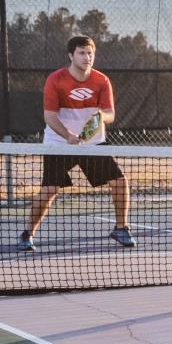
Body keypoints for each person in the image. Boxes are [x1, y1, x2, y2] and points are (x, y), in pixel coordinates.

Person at [19, 35, 133, 251]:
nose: (87, 57)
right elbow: (50, 117)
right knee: (50, 190)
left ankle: (121, 228)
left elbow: (110, 114)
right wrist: (69, 135)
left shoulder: (102, 81)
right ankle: (28, 233)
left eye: (90, 53)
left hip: (93, 144)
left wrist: (101, 116)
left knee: (119, 182)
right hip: (59, 142)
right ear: (71, 55)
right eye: (81, 53)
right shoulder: (56, 80)